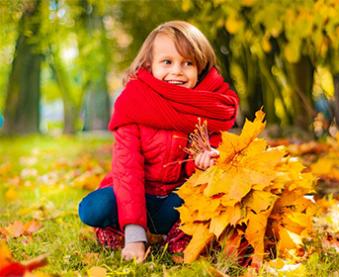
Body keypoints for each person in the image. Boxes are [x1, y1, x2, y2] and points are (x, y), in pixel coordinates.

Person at [78, 20, 239, 263]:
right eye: (167, 62)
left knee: (209, 194)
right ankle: (118, 229)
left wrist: (202, 162)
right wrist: (134, 236)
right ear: (149, 65)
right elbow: (127, 170)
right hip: (135, 194)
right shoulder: (133, 104)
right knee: (93, 208)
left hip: (174, 201)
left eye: (188, 63)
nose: (177, 71)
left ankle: (182, 234)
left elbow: (203, 169)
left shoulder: (204, 107)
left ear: (200, 68)